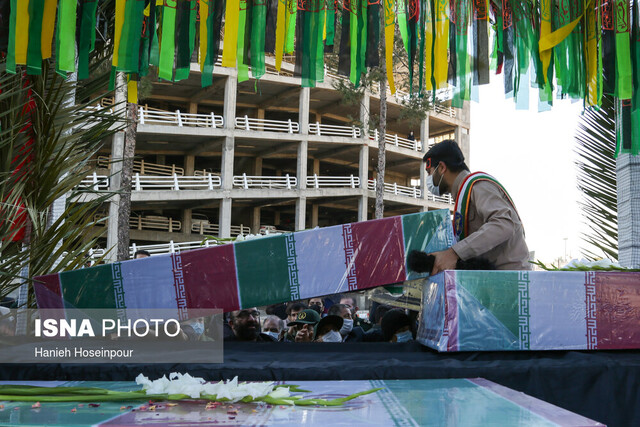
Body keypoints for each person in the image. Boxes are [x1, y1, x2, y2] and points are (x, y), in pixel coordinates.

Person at [423, 139, 531, 274]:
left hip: (510, 279)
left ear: (441, 168)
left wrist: (454, 253)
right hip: (493, 279)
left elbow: (504, 223)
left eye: (429, 172)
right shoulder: (463, 197)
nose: (428, 178)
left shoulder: (478, 186)